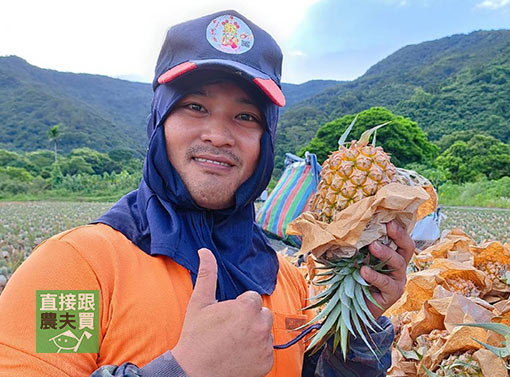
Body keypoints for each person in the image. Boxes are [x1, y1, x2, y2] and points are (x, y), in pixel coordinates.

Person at [0, 10, 415, 377]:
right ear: (159, 119)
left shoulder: (288, 281)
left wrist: (363, 319)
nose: (218, 135)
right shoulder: (75, 272)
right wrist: (181, 370)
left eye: (245, 116)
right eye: (194, 106)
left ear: (266, 140)